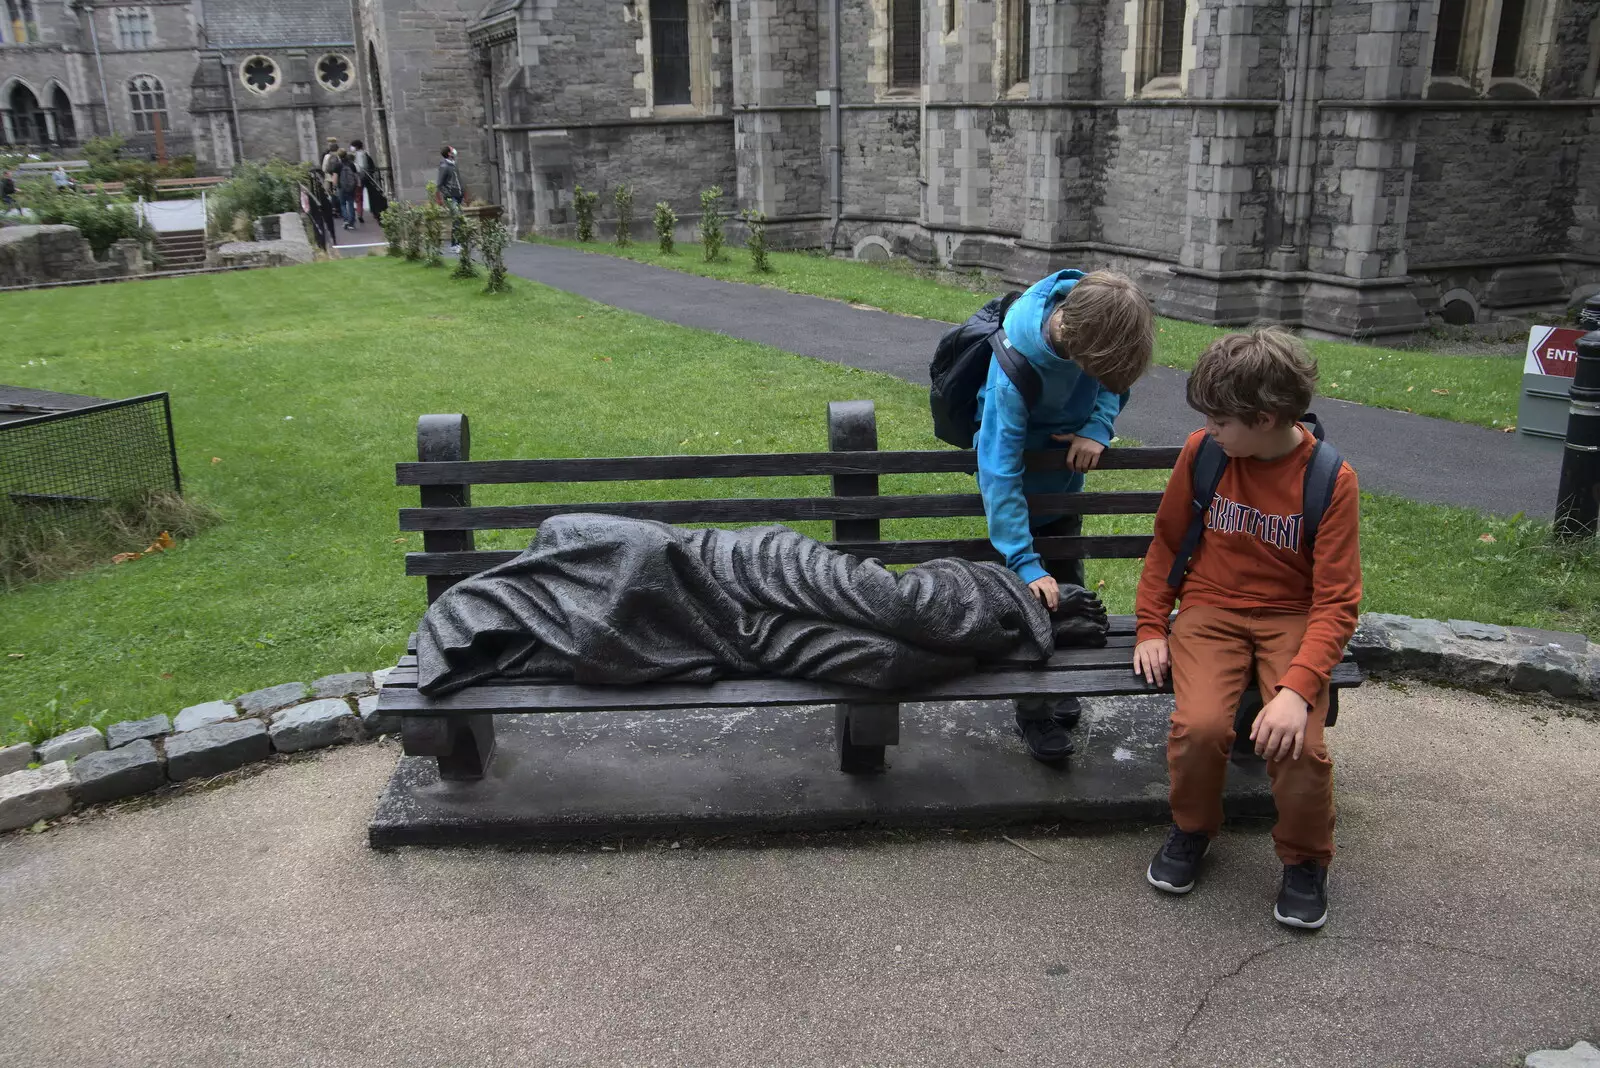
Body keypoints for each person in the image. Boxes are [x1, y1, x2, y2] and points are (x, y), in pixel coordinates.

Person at [1133, 328, 1361, 931]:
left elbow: (1337, 602)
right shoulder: (1204, 454)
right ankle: (1191, 829)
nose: (1211, 429)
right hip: (1210, 611)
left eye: (1221, 420)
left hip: (1293, 616)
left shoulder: (1329, 478)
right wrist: (1152, 626)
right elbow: (1167, 544)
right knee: (1201, 726)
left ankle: (1306, 859)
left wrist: (1295, 691)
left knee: (1301, 745)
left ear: (1265, 418)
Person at [975, 269, 1154, 763]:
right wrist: (1023, 560)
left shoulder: (1098, 329)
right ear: (1077, 344)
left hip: (1062, 491)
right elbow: (998, 469)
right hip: (1014, 504)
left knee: (1070, 591)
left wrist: (1098, 425)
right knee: (1031, 603)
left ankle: (1059, 681)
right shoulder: (1016, 362)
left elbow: (1113, 383)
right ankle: (1032, 710)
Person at [436, 145, 465, 252]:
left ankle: (457, 243)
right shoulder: (444, 166)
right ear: (449, 153)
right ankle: (455, 245)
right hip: (451, 197)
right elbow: (440, 184)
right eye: (452, 149)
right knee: (457, 217)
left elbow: (457, 180)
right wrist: (445, 195)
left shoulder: (453, 164)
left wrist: (462, 192)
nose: (454, 151)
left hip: (458, 195)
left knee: (459, 219)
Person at [348, 138, 374, 224]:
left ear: (356, 146)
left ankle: (359, 213)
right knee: (364, 195)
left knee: (359, 197)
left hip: (360, 177)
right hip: (365, 177)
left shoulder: (359, 154)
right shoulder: (364, 153)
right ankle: (367, 211)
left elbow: (360, 167)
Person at [337, 150, 361, 230]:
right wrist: (357, 185)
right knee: (351, 203)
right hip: (351, 187)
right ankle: (351, 223)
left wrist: (334, 186)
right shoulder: (351, 164)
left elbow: (335, 177)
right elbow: (355, 176)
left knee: (343, 204)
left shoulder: (338, 165)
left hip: (341, 187)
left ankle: (346, 220)